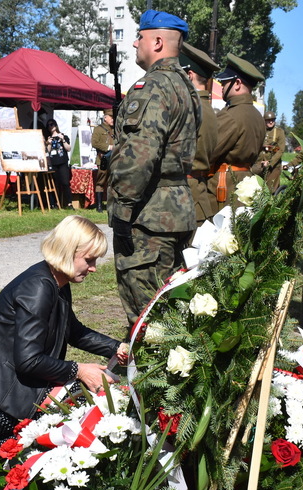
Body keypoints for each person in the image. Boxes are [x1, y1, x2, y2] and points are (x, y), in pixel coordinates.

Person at [0, 216, 129, 455]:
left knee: (84, 400)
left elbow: (73, 331)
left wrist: (117, 348)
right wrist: (80, 370)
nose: (94, 267)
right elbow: (28, 360)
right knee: (83, 404)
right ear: (68, 252)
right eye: (89, 259)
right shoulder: (39, 287)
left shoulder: (55, 280)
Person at [108, 10, 200, 326]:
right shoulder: (186, 87)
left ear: (157, 41)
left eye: (141, 37)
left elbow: (139, 156)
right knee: (172, 305)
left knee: (150, 316)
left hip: (149, 217)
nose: (135, 43)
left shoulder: (153, 86)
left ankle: (149, 371)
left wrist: (122, 207)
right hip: (177, 210)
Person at [211, 53, 266, 206]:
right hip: (246, 185)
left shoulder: (231, 115)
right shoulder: (257, 116)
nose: (221, 87)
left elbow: (207, 153)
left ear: (237, 83)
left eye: (224, 83)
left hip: (224, 187)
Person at [179, 42, 219, 226]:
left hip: (183, 196)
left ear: (189, 74)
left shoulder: (189, 108)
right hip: (198, 192)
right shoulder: (208, 109)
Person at [251, 111, 287, 192]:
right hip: (259, 164)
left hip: (273, 166)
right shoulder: (259, 131)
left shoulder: (279, 132)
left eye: (273, 120)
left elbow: (281, 150)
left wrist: (270, 162)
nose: (271, 122)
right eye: (268, 120)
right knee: (255, 189)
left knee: (271, 190)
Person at [44, 119, 73, 209]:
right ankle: (56, 203)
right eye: (48, 125)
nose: (50, 126)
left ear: (56, 125)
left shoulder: (63, 136)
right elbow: (47, 151)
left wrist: (63, 140)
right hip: (53, 163)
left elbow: (68, 148)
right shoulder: (49, 138)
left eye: (52, 124)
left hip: (63, 162)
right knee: (55, 184)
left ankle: (69, 203)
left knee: (65, 183)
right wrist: (48, 143)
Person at [91, 109, 115, 211]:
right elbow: (94, 143)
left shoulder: (115, 129)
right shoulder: (98, 129)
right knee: (100, 182)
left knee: (112, 182)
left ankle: (111, 205)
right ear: (105, 117)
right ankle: (99, 205)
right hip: (103, 159)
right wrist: (108, 147)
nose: (113, 119)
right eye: (111, 117)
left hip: (114, 159)